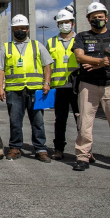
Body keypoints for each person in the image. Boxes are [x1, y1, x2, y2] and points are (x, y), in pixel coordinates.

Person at [71, 2, 110, 176]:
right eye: (94, 17)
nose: (97, 20)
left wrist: (106, 64)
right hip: (88, 85)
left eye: (100, 17)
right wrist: (100, 61)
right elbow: (79, 56)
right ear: (88, 19)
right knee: (84, 123)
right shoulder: (82, 36)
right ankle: (83, 157)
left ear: (106, 18)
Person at [0, 14, 53, 162]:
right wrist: (0, 87)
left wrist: (47, 83)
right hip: (14, 90)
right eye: (16, 28)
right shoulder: (6, 47)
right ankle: (15, 148)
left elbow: (47, 65)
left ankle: (40, 149)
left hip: (36, 90)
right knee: (15, 121)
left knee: (38, 121)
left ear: (27, 29)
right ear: (12, 30)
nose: (19, 30)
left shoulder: (37, 45)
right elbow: (0, 69)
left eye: (22, 28)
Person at [46, 9, 79, 161]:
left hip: (77, 87)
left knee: (81, 120)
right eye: (61, 23)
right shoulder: (51, 42)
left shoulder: (80, 40)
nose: (64, 25)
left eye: (67, 22)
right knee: (60, 120)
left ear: (73, 24)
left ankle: (86, 150)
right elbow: (47, 65)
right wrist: (46, 83)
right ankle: (58, 149)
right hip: (59, 87)